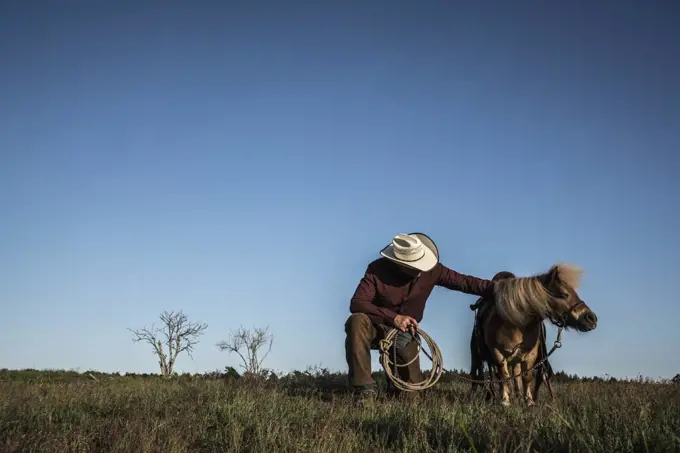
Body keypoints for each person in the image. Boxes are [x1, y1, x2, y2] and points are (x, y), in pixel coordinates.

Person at [345, 232, 496, 404]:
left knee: (411, 398)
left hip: (405, 333)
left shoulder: (433, 270)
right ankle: (364, 391)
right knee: (356, 321)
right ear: (398, 263)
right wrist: (394, 318)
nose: (418, 269)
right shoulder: (376, 269)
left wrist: (503, 288)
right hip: (376, 326)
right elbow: (357, 303)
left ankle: (395, 387)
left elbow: (465, 282)